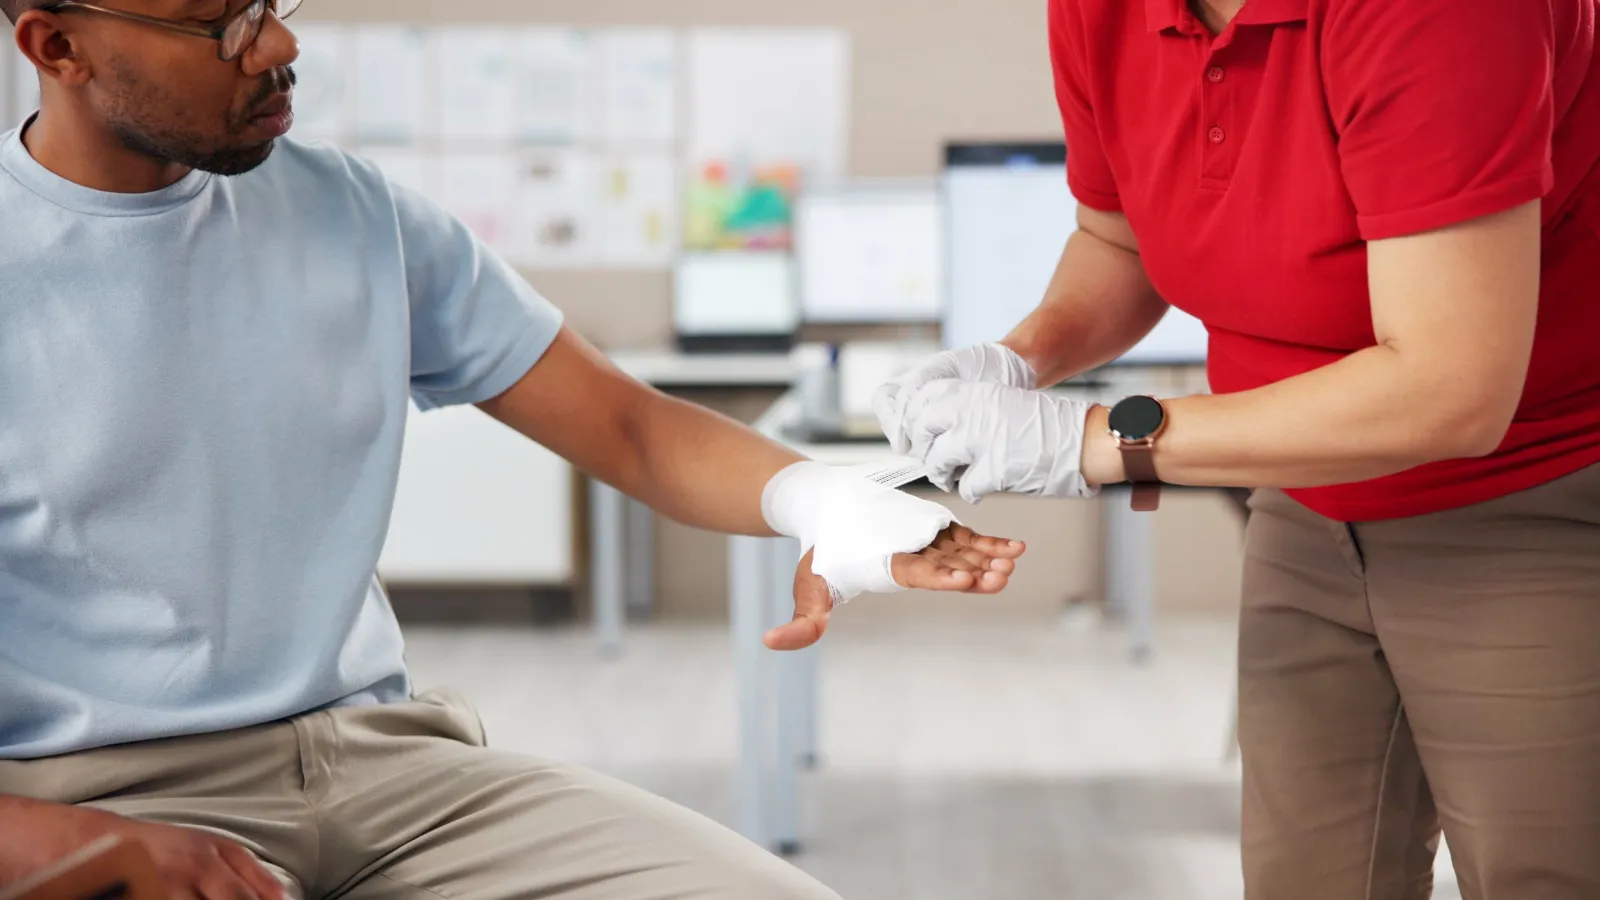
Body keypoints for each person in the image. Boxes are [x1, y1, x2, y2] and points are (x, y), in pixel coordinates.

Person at [0, 1, 1031, 897]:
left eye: (269, 0)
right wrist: (50, 836)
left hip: (385, 770)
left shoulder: (356, 215)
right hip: (96, 791)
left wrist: (826, 503)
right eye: (217, 23)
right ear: (58, 47)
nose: (276, 43)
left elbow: (629, 425)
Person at [877, 0, 1600, 896]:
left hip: (1534, 504)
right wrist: (1019, 362)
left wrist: (1097, 441)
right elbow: (1120, 240)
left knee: (1546, 876)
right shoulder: (1104, 12)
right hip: (1307, 505)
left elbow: (1450, 390)